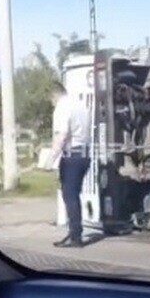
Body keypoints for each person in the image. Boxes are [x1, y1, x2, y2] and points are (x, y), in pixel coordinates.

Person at [48, 81, 91, 248]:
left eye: (51, 99)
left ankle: (76, 236)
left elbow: (62, 134)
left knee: (69, 196)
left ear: (54, 95)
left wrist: (51, 158)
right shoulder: (81, 105)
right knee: (74, 195)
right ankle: (74, 231)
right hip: (85, 155)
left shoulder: (62, 107)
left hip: (71, 156)